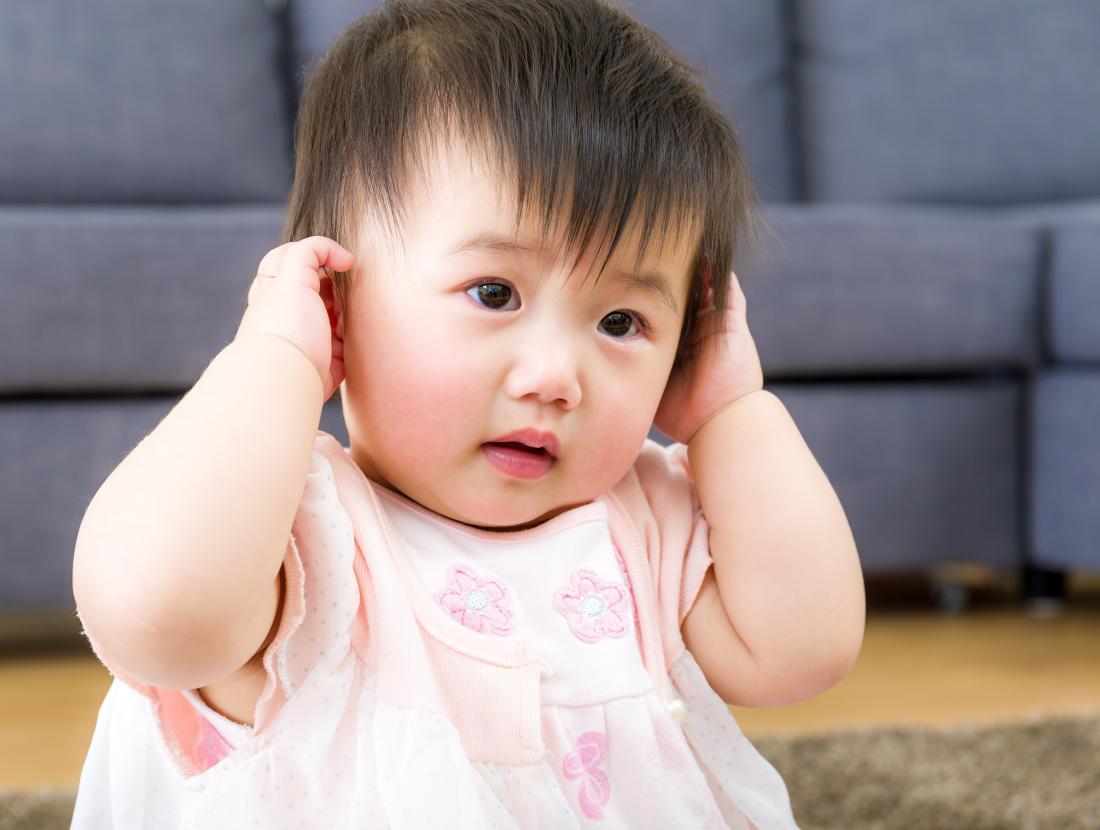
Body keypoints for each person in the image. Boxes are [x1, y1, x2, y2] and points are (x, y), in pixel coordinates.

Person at [70, 0, 865, 826]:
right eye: (495, 293)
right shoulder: (298, 537)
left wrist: (734, 413)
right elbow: (156, 616)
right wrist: (274, 359)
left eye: (621, 323)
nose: (558, 376)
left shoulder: (641, 521)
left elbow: (802, 651)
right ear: (337, 299)